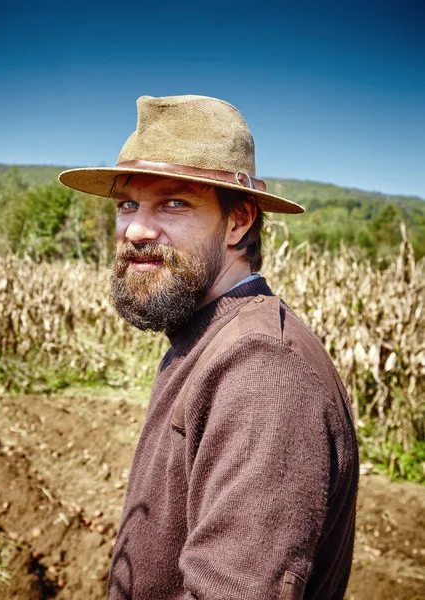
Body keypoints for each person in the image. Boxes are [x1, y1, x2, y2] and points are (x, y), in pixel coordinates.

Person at [59, 95, 359, 600]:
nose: (135, 229)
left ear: (238, 222)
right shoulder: (206, 335)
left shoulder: (261, 368)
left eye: (174, 203)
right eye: (128, 203)